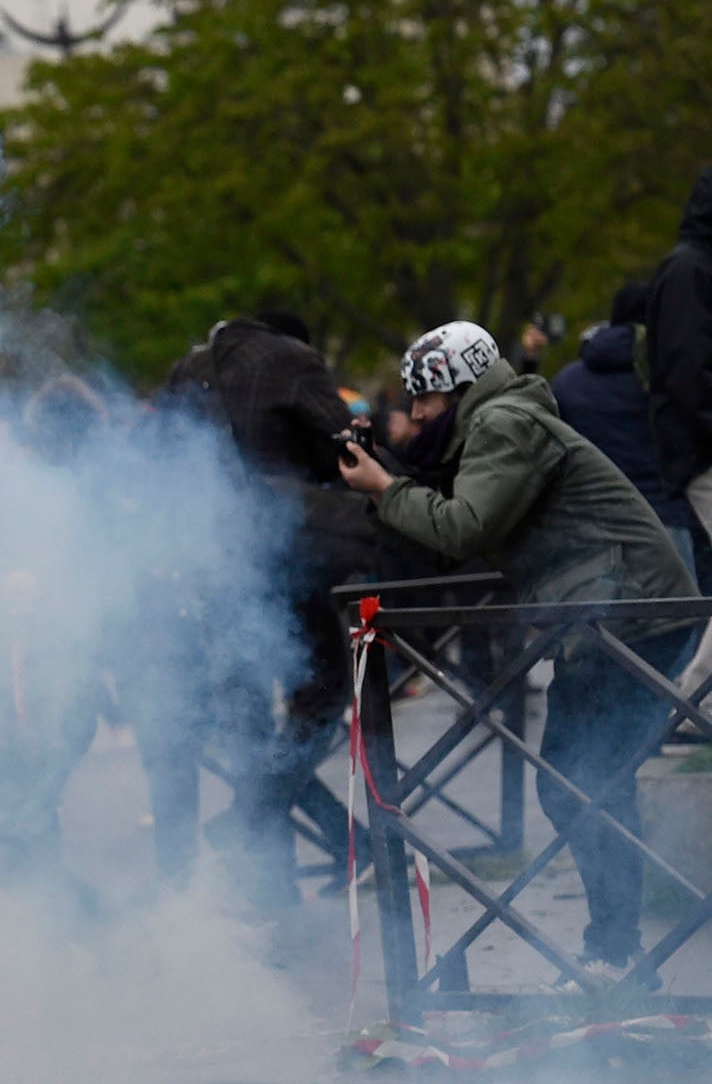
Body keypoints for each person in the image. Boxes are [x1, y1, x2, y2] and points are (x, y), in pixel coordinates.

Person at [340, 321, 697, 981]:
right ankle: (617, 950)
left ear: (458, 388)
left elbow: (464, 526)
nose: (415, 413)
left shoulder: (504, 424)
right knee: (582, 780)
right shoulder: (503, 420)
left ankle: (618, 952)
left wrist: (385, 490)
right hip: (616, 609)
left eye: (425, 398)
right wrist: (392, 480)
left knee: (581, 781)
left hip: (629, 611)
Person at [176, 313, 372, 906]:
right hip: (283, 551)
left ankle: (270, 885)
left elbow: (165, 468)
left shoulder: (185, 371)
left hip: (215, 561)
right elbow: (342, 448)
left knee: (249, 727)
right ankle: (256, 821)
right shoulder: (290, 359)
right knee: (324, 697)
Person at [552, 284, 697, 572]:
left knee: (598, 617)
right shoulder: (674, 377)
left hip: (591, 531)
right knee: (679, 614)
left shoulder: (567, 382)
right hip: (665, 523)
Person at [648, 165, 712, 703]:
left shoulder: (692, 267)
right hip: (702, 452)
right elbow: (685, 370)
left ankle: (692, 700)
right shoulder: (691, 270)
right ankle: (692, 701)